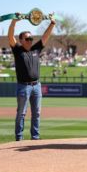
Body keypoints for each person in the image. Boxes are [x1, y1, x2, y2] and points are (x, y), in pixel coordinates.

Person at [7, 12, 56, 141]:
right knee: (21, 113)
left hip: (36, 86)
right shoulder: (18, 50)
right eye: (27, 39)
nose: (30, 40)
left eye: (31, 39)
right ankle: (19, 138)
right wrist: (14, 22)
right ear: (21, 40)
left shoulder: (36, 49)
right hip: (23, 86)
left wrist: (52, 23)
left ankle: (35, 137)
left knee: (37, 113)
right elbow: (10, 36)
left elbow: (45, 36)